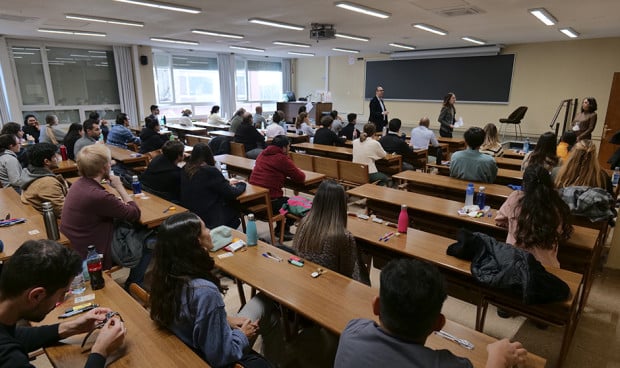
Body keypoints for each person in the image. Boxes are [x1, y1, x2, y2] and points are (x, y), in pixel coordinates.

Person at [334, 258, 528, 368]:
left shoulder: (352, 332)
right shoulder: (449, 365)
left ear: (376, 306)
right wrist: (498, 358)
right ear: (439, 324)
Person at [150, 213, 283, 368]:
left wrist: (225, 320)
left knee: (266, 308)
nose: (209, 231)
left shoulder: (165, 275)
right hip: (212, 357)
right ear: (197, 241)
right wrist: (242, 335)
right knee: (266, 307)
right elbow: (220, 356)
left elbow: (190, 317)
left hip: (191, 345)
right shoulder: (205, 292)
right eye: (205, 228)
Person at [0, 239, 126, 368]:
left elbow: (14, 335)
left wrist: (72, 327)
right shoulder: (9, 359)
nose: (61, 300)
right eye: (62, 293)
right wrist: (100, 351)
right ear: (36, 296)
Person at [60, 144, 141, 270]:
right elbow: (135, 213)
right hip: (93, 252)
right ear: (104, 168)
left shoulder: (78, 184)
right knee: (147, 238)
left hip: (78, 244)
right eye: (109, 162)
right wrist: (120, 187)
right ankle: (135, 281)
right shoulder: (98, 196)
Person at [293, 180, 369, 284]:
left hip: (305, 280)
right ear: (342, 205)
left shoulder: (303, 223)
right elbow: (348, 274)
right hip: (331, 287)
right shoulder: (342, 236)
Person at [496, 165, 573, 268]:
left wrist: (513, 224)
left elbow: (499, 220)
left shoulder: (516, 197)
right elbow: (561, 231)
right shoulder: (558, 204)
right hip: (546, 266)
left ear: (525, 183)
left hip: (514, 263)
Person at [250, 135, 306, 239]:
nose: (289, 149)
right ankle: (283, 230)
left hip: (254, 198)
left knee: (285, 200)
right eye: (288, 147)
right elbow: (300, 177)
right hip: (270, 202)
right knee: (295, 203)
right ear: (284, 148)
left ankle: (281, 229)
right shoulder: (282, 158)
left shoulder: (262, 153)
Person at [181, 143, 246, 229]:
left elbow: (208, 184)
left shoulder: (186, 168)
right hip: (211, 215)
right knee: (235, 204)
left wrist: (226, 181)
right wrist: (242, 184)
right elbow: (232, 192)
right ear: (209, 155)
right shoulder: (209, 171)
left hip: (192, 213)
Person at [20, 142, 68, 217]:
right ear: (47, 161)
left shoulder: (29, 172)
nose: (58, 158)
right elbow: (63, 211)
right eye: (55, 156)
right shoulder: (47, 183)